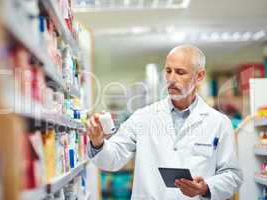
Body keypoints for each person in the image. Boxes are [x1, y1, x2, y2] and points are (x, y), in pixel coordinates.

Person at [86, 44, 243, 200]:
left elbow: (232, 175)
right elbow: (112, 159)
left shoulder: (219, 123)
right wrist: (98, 142)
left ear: (199, 76)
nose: (172, 79)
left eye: (180, 72)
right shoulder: (143, 117)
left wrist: (206, 187)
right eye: (168, 71)